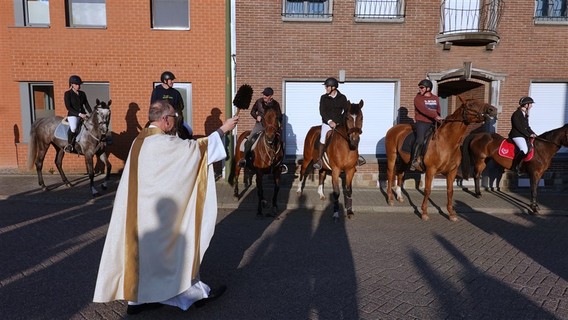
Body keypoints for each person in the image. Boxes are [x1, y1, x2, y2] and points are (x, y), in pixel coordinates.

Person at [93, 100, 238, 315]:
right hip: (157, 215)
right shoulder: (162, 144)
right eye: (174, 118)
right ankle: (194, 294)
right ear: (165, 119)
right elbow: (194, 151)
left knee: (143, 257)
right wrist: (223, 130)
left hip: (139, 212)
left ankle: (137, 300)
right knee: (175, 251)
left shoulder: (139, 141)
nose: (175, 122)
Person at [238, 87, 282, 167]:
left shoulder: (276, 104)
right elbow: (252, 111)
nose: (264, 96)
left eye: (266, 95)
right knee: (250, 138)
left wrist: (278, 126)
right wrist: (256, 116)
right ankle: (244, 159)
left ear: (271, 96)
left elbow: (279, 116)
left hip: (272, 127)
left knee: (280, 141)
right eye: (264, 94)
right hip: (260, 125)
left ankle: (280, 162)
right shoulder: (259, 102)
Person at [313, 77, 349, 170]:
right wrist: (329, 121)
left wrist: (340, 121)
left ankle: (356, 157)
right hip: (327, 123)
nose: (326, 88)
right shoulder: (323, 97)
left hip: (339, 123)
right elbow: (322, 111)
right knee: (322, 138)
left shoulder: (342, 97)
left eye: (327, 86)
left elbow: (346, 111)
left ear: (333, 87)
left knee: (350, 136)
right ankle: (319, 160)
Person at [410, 79, 443, 171]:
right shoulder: (418, 98)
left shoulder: (435, 98)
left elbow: (438, 109)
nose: (420, 89)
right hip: (422, 123)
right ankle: (414, 160)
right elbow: (424, 110)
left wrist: (438, 117)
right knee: (420, 140)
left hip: (434, 122)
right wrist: (435, 116)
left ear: (428, 89)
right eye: (419, 87)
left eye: (422, 87)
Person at [150, 71, 193, 140]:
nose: (172, 82)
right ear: (165, 81)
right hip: (160, 117)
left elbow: (181, 106)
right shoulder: (156, 91)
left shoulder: (175, 93)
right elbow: (153, 105)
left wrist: (175, 111)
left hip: (173, 116)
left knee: (189, 130)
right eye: (171, 80)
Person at [64, 75, 92, 153]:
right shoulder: (67, 94)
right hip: (73, 115)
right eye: (76, 84)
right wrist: (79, 114)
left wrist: (91, 113)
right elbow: (68, 107)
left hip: (83, 114)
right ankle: (69, 144)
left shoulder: (82, 93)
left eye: (79, 84)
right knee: (73, 127)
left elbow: (86, 104)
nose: (78, 86)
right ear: (72, 84)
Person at [509, 96, 536, 174]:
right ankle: (514, 166)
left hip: (523, 135)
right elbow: (518, 127)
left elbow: (527, 127)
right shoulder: (516, 114)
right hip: (516, 135)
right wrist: (528, 134)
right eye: (530, 104)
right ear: (526, 105)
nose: (531, 106)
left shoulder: (525, 114)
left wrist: (533, 133)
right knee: (524, 149)